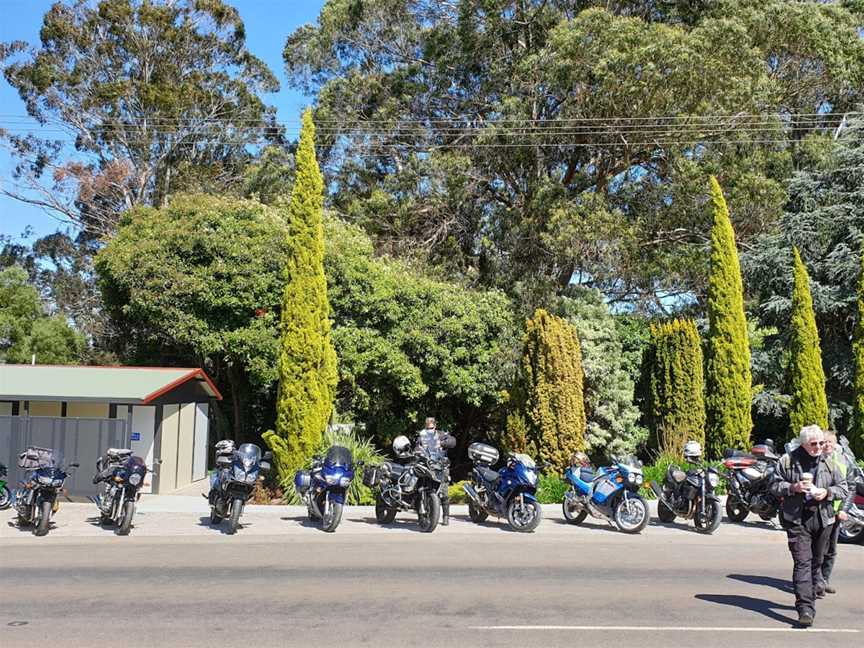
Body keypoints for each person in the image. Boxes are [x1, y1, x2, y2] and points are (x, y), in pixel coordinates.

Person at [770, 424, 848, 627]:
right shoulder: (787, 461)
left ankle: (810, 595)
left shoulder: (829, 462)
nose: (819, 447)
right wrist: (793, 487)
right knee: (803, 562)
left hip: (823, 518)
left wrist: (827, 493)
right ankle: (805, 608)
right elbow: (773, 485)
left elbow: (844, 487)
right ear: (804, 444)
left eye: (822, 443)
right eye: (814, 444)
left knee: (817, 562)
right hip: (796, 519)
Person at [821, 430, 857, 593]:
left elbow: (851, 487)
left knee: (831, 549)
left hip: (835, 512)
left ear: (835, 444)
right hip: (816, 511)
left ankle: (824, 579)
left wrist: (843, 509)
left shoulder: (844, 461)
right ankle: (815, 581)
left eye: (831, 442)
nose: (828, 445)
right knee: (817, 548)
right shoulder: (815, 459)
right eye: (825, 441)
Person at [415, 417, 456, 526]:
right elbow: (416, 448)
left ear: (435, 426)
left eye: (431, 428)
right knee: (420, 489)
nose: (430, 430)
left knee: (444, 493)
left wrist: (441, 443)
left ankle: (446, 516)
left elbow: (452, 441)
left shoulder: (441, 434)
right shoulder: (422, 436)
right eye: (428, 428)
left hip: (440, 467)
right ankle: (421, 515)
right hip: (426, 466)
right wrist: (418, 451)